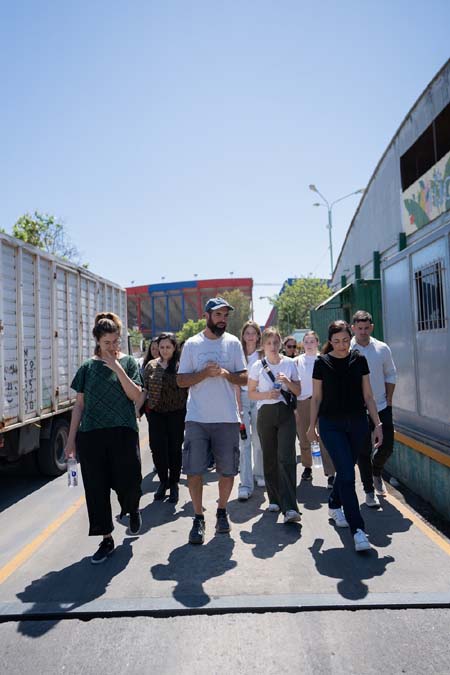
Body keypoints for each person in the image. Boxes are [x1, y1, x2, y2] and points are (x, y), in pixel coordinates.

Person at [65, 312, 143, 564]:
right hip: (91, 435)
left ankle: (131, 509)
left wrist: (117, 368)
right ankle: (106, 538)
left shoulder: (129, 362)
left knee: (129, 481)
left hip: (123, 432)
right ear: (98, 341)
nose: (112, 347)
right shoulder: (87, 368)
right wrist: (70, 439)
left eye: (115, 342)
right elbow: (79, 405)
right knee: (96, 489)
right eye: (107, 342)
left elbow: (135, 395)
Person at [307, 320, 383, 552]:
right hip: (331, 425)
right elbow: (317, 398)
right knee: (349, 475)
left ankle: (333, 503)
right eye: (336, 341)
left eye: (344, 340)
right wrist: (312, 426)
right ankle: (358, 530)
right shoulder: (322, 363)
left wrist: (377, 423)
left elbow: (368, 395)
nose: (341, 345)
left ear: (350, 338)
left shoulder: (359, 360)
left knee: (345, 470)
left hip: (358, 424)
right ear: (330, 342)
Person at [177, 297, 247, 545]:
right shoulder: (193, 345)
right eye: (218, 315)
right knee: (194, 472)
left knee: (227, 471)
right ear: (206, 315)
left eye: (226, 316)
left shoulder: (234, 343)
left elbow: (245, 378)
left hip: (227, 418)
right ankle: (198, 518)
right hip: (197, 418)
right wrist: (204, 373)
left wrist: (227, 375)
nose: (223, 320)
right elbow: (181, 381)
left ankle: (221, 511)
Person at [248, 327, 302, 523]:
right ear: (263, 345)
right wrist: (266, 395)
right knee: (269, 456)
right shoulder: (257, 366)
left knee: (286, 457)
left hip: (285, 413)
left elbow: (298, 390)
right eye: (268, 343)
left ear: (280, 343)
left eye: (275, 343)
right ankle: (274, 499)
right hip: (265, 413)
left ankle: (290, 507)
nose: (272, 346)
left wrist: (288, 381)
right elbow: (251, 393)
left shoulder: (289, 364)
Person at [351, 310, 397, 507]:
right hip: (358, 409)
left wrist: (389, 398)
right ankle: (369, 490)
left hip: (380, 405)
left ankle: (376, 470)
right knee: (363, 450)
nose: (363, 332)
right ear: (353, 328)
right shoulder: (347, 348)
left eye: (366, 328)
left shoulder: (382, 348)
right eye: (359, 328)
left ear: (372, 327)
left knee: (387, 446)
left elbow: (391, 374)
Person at [139, 333, 187, 504]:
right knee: (157, 448)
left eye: (168, 347)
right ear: (157, 348)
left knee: (174, 449)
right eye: (162, 347)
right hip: (156, 414)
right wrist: (137, 409)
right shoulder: (151, 366)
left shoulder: (181, 366)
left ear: (174, 348)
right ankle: (163, 481)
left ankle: (174, 484)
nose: (165, 350)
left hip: (176, 413)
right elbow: (145, 390)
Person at [294, 330, 335, 486]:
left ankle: (330, 473)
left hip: (321, 403)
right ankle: (307, 467)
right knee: (304, 438)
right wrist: (294, 408)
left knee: (325, 438)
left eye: (312, 341)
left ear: (317, 343)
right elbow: (293, 385)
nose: (309, 344)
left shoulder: (324, 360)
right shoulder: (296, 361)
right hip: (303, 402)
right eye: (306, 342)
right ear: (302, 344)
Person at [235, 321, 265, 500]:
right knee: (244, 443)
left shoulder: (262, 355)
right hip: (243, 400)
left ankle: (259, 473)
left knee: (259, 440)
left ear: (258, 336)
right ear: (243, 336)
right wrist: (238, 405)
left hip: (260, 398)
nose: (251, 336)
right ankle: (245, 484)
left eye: (254, 333)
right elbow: (236, 381)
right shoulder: (238, 354)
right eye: (247, 333)